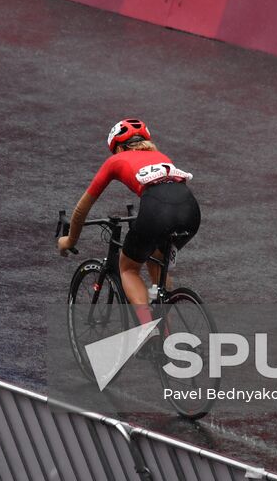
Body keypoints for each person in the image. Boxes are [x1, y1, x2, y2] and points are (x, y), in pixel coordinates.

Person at [56, 119, 200, 326]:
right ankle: (165, 331)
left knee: (128, 268)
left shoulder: (116, 160)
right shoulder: (161, 156)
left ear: (120, 147)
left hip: (157, 212)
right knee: (156, 262)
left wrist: (69, 240)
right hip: (191, 212)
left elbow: (81, 210)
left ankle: (149, 331)